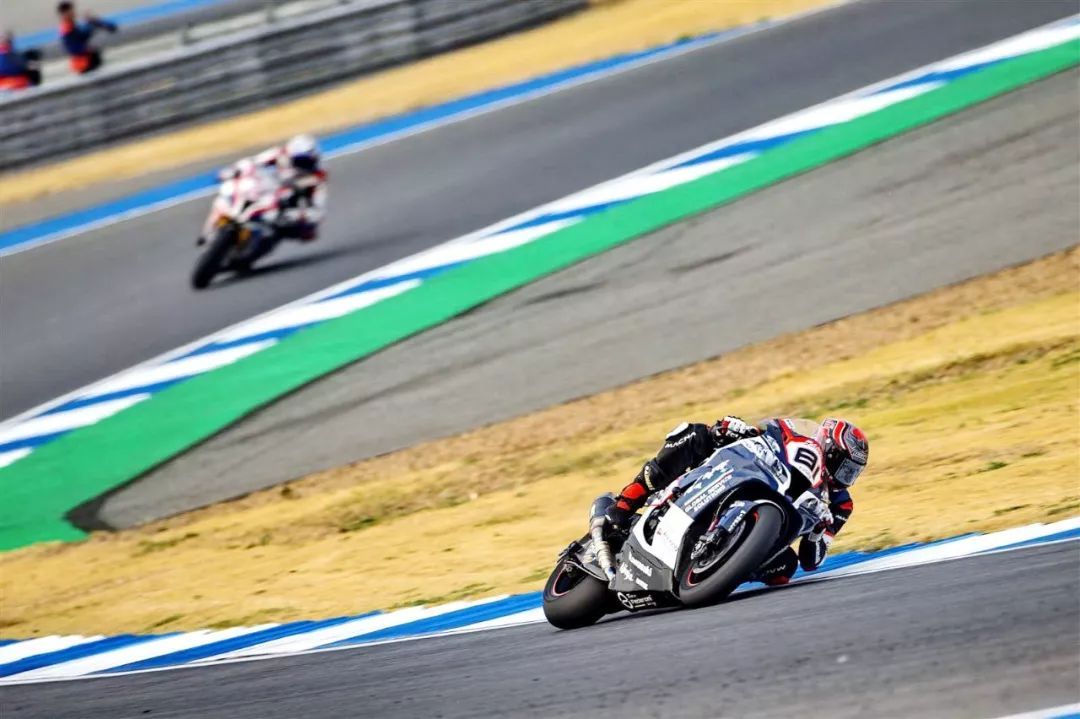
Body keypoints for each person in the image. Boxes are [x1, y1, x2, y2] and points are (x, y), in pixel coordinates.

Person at [605, 416, 868, 586]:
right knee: (696, 434)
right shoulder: (800, 442)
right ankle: (628, 500)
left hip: (773, 529)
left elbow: (812, 561)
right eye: (845, 467)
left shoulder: (840, 506)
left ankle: (720, 569)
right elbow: (766, 431)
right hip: (749, 475)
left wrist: (819, 532)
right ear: (829, 450)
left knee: (785, 568)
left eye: (852, 473)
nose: (846, 477)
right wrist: (735, 428)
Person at [199, 134, 328, 249]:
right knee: (226, 195)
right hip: (263, 190)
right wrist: (233, 170)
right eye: (299, 160)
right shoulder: (279, 154)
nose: (302, 164)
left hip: (284, 210)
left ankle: (260, 242)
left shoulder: (316, 179)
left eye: (306, 161)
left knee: (300, 230)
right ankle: (208, 232)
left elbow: (318, 210)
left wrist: (302, 217)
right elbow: (252, 162)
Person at [57, 1, 117, 75]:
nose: (74, 13)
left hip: (87, 61)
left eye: (73, 10)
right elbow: (74, 47)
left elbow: (84, 33)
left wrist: (92, 22)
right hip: (84, 64)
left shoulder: (72, 26)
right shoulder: (67, 29)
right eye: (71, 11)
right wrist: (87, 48)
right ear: (64, 13)